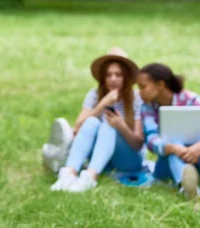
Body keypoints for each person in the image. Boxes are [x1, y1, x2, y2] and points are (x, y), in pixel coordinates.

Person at [45, 47, 145, 192]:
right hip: (101, 157)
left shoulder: (136, 99)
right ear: (103, 78)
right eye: (109, 75)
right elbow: (78, 128)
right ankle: (69, 173)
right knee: (92, 121)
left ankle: (89, 178)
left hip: (128, 159)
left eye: (118, 75)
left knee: (109, 125)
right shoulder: (95, 95)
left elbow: (138, 144)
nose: (113, 79)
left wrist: (121, 126)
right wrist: (103, 103)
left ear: (127, 77)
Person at [137, 63, 200, 200]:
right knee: (173, 142)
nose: (139, 92)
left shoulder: (191, 100)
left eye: (143, 86)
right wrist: (172, 148)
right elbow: (150, 140)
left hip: (197, 156)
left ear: (160, 84)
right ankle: (186, 187)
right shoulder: (147, 107)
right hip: (167, 164)